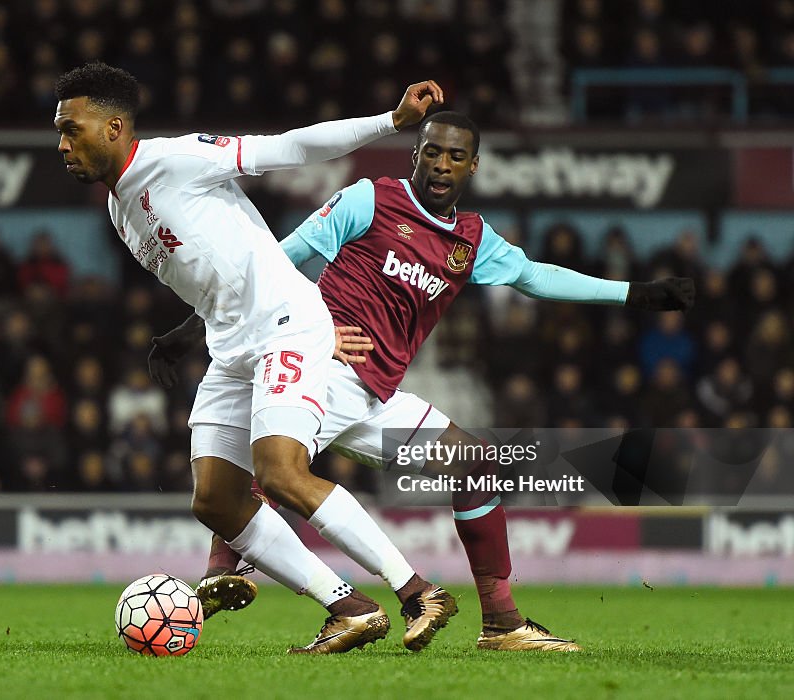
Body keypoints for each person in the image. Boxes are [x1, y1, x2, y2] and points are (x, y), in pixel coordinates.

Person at [150, 110, 695, 652]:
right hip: (324, 368)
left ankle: (500, 624)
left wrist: (635, 293)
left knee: (475, 466)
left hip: (372, 396)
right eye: (431, 151)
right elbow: (280, 259)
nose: (441, 164)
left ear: (473, 166)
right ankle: (254, 570)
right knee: (279, 465)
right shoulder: (370, 200)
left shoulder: (472, 241)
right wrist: (192, 327)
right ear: (415, 155)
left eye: (455, 156)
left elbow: (536, 277)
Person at [53, 62, 457, 654]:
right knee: (215, 500)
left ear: (114, 128)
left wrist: (391, 122)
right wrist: (183, 335)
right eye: (59, 132)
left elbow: (292, 147)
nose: (62, 144)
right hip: (232, 346)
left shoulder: (178, 159)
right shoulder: (119, 208)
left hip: (285, 326)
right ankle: (348, 607)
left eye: (72, 130)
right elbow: (217, 275)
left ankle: (417, 590)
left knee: (280, 473)